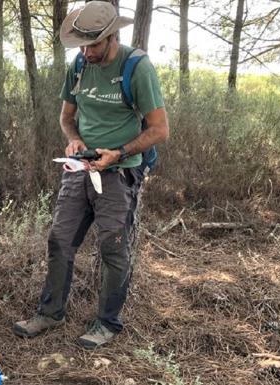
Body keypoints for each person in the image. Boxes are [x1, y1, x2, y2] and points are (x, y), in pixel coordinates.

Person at [12, 1, 169, 349]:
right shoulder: (80, 64)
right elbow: (66, 117)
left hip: (119, 173)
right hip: (79, 169)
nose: (87, 51)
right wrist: (75, 139)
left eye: (94, 45)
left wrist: (120, 152)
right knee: (60, 240)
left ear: (113, 37)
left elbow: (159, 130)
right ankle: (50, 313)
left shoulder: (136, 67)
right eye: (82, 45)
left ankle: (108, 323)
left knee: (112, 248)